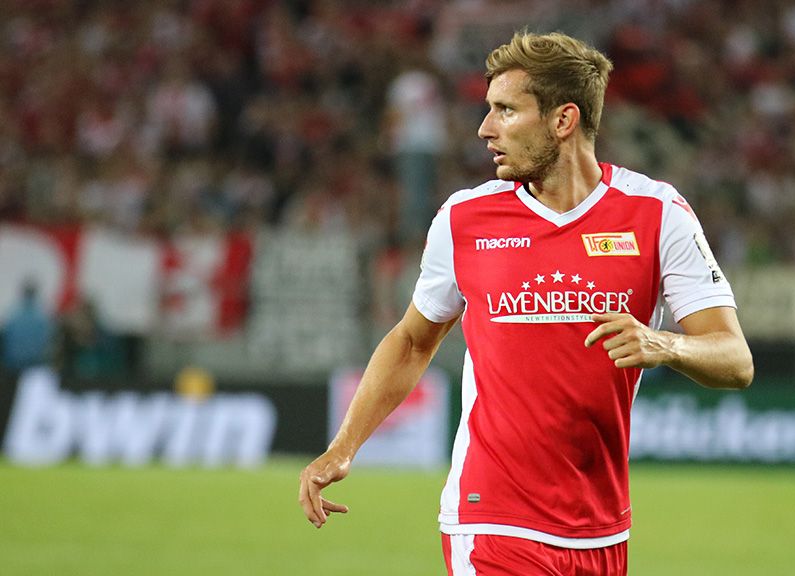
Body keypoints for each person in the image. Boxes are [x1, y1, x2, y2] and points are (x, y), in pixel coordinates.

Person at [299, 31, 754, 575]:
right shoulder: (463, 220)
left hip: (602, 529)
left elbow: (735, 359)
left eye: (506, 111)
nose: (484, 129)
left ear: (563, 121)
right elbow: (412, 339)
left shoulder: (658, 215)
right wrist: (343, 447)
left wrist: (665, 344)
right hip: (491, 521)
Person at [1, 280, 55, 377]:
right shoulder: (43, 315)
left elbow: (5, 337)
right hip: (36, 364)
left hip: (13, 364)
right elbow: (49, 340)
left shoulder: (12, 314)